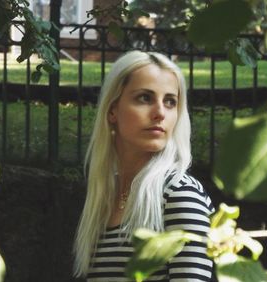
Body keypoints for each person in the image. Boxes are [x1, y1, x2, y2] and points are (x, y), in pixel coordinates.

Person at [73, 50, 215, 281]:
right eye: (145, 98)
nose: (160, 113)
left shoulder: (179, 194)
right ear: (112, 111)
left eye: (170, 102)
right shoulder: (105, 195)